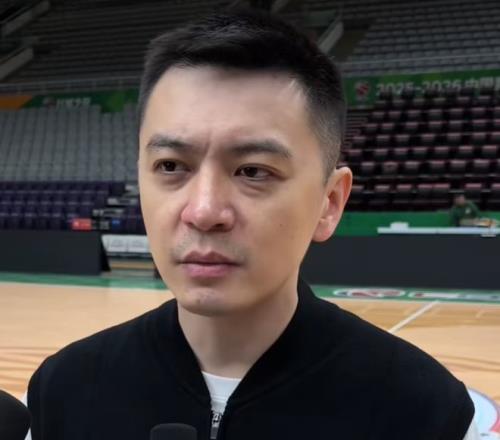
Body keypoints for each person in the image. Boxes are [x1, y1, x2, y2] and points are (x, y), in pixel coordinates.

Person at [25, 9, 478, 440]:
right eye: (171, 166)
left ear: (329, 202)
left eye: (253, 171)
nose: (203, 211)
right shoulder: (62, 392)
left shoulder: (426, 413)